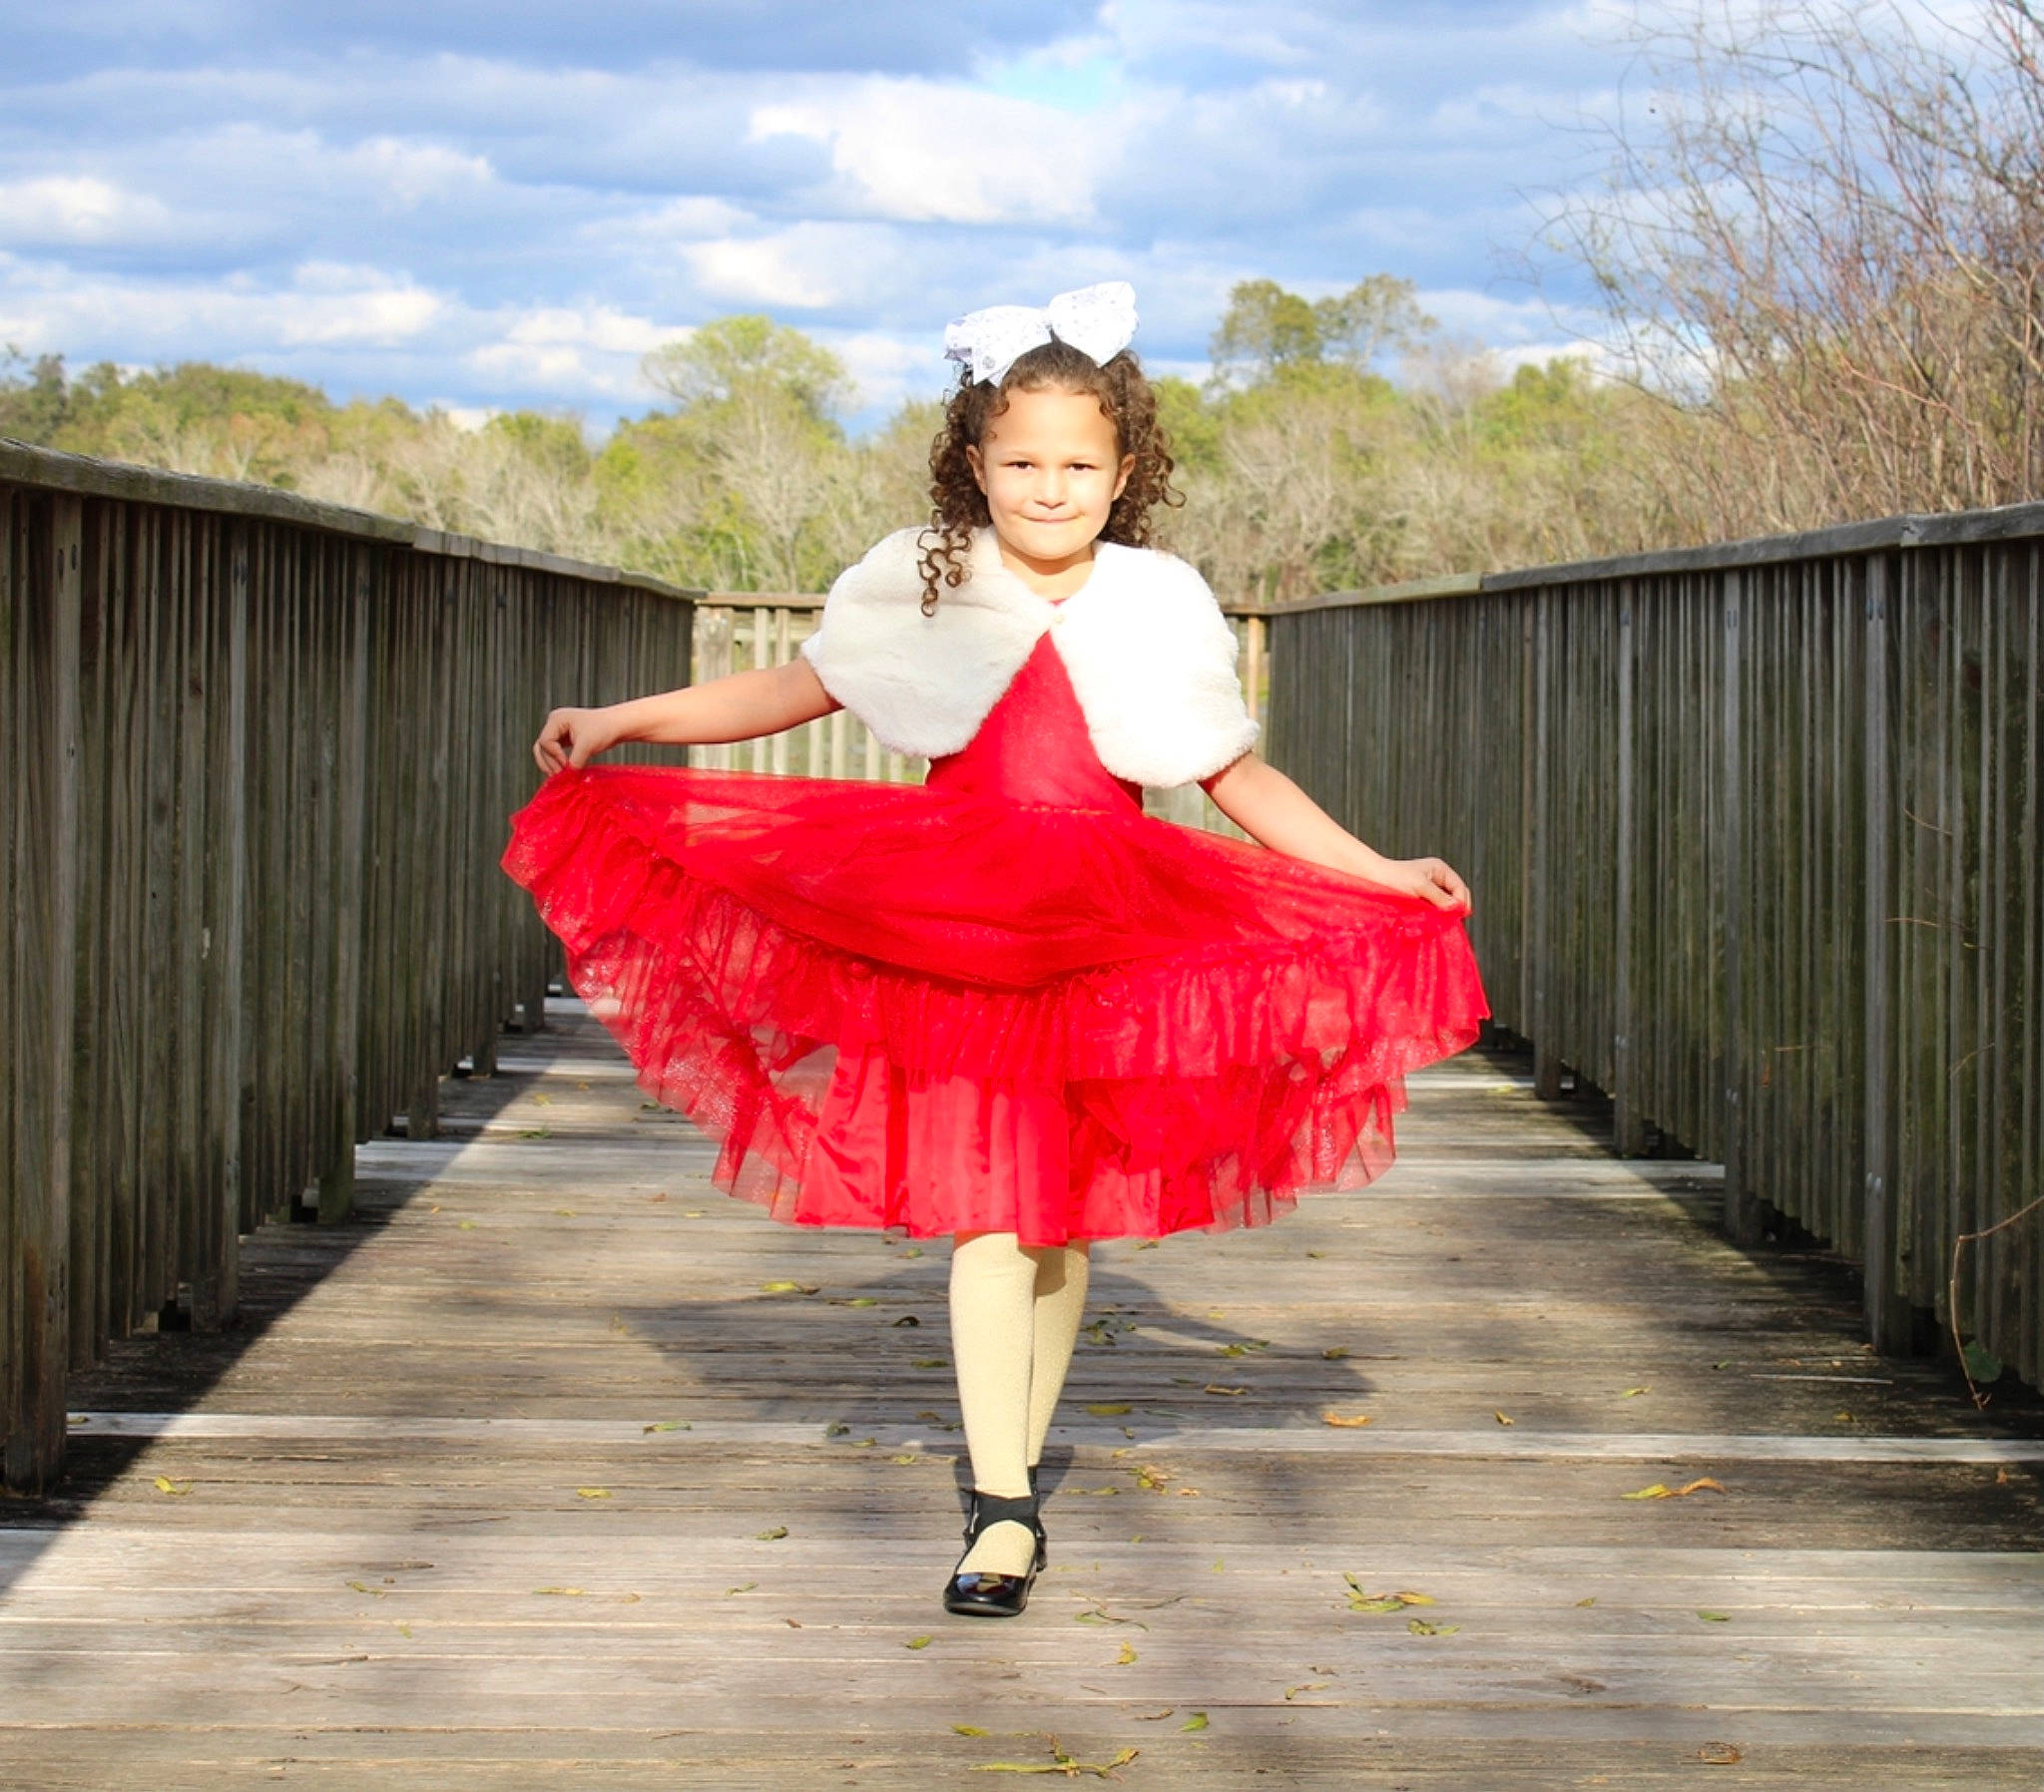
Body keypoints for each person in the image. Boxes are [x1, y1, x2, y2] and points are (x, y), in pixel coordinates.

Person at [503, 281, 1488, 1619]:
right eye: (1021, 462)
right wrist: (623, 719)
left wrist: (1376, 870)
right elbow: (788, 690)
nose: (1048, 487)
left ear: (1126, 470)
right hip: (957, 928)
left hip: (1105, 929)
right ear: (975, 459)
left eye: (1079, 464)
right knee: (990, 1208)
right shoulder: (930, 577)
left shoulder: (1157, 603)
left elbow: (1235, 779)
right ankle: (1006, 1496)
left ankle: (1011, 1457)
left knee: (1062, 1212)